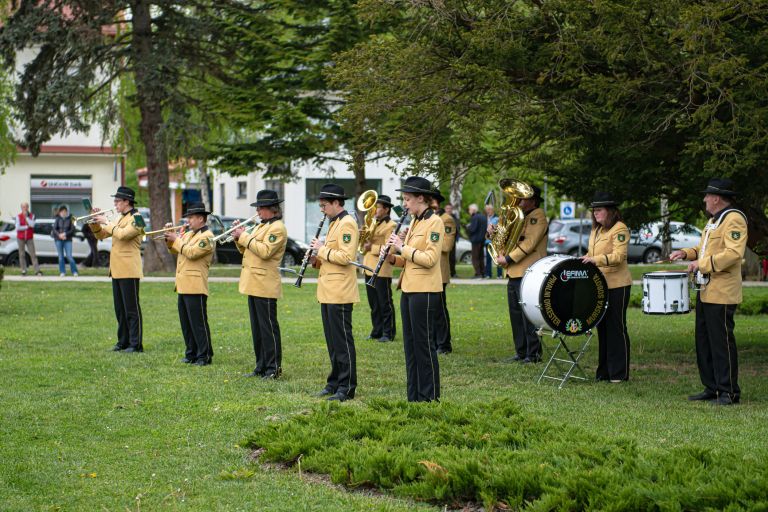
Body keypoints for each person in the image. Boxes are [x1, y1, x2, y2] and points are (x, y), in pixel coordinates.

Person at [670, 178, 748, 405]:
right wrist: (686, 253)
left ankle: (729, 391)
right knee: (704, 341)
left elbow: (733, 254)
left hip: (722, 292)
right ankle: (711, 387)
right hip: (706, 290)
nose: (704, 199)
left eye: (707, 196)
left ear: (716, 198)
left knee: (721, 342)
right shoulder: (714, 220)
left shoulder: (734, 219)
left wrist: (701, 265)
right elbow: (704, 248)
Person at [384, 176, 444, 402]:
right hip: (408, 289)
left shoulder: (434, 222)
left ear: (421, 198)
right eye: (404, 199)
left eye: (407, 199)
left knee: (424, 345)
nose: (405, 204)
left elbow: (429, 259)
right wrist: (391, 257)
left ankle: (429, 397)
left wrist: (402, 247)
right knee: (410, 345)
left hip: (425, 291)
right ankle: (414, 395)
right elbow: (408, 259)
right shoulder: (415, 222)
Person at [309, 184, 360, 402]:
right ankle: (334, 381)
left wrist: (321, 249)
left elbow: (346, 257)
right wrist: (315, 258)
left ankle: (347, 387)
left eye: (324, 205)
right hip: (328, 290)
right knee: (332, 341)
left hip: (340, 291)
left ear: (336, 203)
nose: (322, 209)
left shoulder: (347, 223)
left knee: (342, 341)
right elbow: (330, 258)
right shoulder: (334, 223)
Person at [231, 190, 288, 379]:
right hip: (253, 282)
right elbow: (248, 250)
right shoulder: (259, 226)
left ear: (272, 209)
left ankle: (273, 368)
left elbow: (264, 252)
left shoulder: (278, 228)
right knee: (257, 328)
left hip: (265, 283)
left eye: (261, 208)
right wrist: (237, 237)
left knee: (268, 328)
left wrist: (244, 237)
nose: (258, 212)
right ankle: (261, 366)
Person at [581, 192, 631, 382]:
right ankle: (604, 372)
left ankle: (619, 373)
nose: (595, 213)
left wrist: (595, 260)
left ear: (610, 211)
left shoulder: (619, 229)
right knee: (602, 327)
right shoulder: (597, 230)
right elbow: (592, 252)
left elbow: (619, 257)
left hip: (618, 285)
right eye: (594, 210)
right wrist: (585, 258)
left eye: (599, 210)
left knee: (616, 328)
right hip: (600, 285)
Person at [495, 185, 548, 363]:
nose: (518, 201)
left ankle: (533, 354)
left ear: (532, 201)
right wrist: (495, 234)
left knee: (528, 315)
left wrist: (508, 258)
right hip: (514, 272)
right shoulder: (520, 217)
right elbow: (509, 240)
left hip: (528, 271)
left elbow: (529, 243)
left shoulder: (537, 216)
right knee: (516, 316)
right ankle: (521, 351)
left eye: (523, 198)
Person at [89, 186, 144, 353]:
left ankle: (136, 344)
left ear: (127, 201)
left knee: (131, 309)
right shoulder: (120, 218)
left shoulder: (137, 218)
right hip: (117, 269)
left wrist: (106, 221)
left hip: (129, 269)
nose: (115, 204)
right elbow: (101, 236)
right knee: (120, 309)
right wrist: (95, 223)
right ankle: (123, 341)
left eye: (117, 201)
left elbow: (123, 235)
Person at [165, 202, 215, 366]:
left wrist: (176, 240)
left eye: (192, 218)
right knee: (186, 323)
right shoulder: (189, 234)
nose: (189, 221)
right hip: (183, 284)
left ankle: (204, 355)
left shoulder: (207, 236)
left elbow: (192, 253)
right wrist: (170, 237)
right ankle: (191, 353)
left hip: (195, 285)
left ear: (201, 218)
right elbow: (175, 249)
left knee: (198, 323)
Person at [361, 194, 397, 342]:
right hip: (368, 266)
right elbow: (363, 246)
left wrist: (372, 247)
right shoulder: (371, 222)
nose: (374, 209)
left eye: (378, 207)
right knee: (374, 303)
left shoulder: (391, 225)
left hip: (382, 268)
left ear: (386, 209)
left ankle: (388, 333)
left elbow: (392, 248)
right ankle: (377, 330)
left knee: (385, 302)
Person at [433, 189, 456, 354]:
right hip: (427, 270)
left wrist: (427, 239)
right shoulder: (425, 219)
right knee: (431, 310)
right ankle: (434, 341)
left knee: (439, 309)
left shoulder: (446, 219)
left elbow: (447, 246)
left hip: (439, 270)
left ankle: (444, 344)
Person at [15, 202, 42, 276]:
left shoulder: (32, 216)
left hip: (29, 237)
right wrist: (26, 227)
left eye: (26, 207)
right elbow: (18, 227)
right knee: (21, 254)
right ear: (21, 208)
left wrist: (26, 217)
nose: (25, 208)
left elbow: (32, 225)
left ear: (28, 207)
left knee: (33, 254)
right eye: (23, 207)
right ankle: (23, 270)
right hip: (20, 238)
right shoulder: (18, 216)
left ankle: (37, 270)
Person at [52, 205, 78, 277]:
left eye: (65, 212)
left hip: (68, 240)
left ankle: (74, 271)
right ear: (60, 212)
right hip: (58, 239)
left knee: (69, 256)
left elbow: (72, 229)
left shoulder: (71, 219)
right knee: (60, 257)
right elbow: (54, 229)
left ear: (67, 212)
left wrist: (65, 234)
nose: (63, 213)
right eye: (62, 212)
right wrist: (59, 235)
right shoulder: (57, 219)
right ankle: (62, 272)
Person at [466, 203, 487, 278]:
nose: (469, 211)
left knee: (475, 258)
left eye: (470, 210)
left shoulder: (474, 217)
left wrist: (468, 227)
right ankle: (483, 272)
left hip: (475, 240)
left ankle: (478, 273)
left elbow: (473, 229)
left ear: (473, 210)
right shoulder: (484, 217)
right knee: (481, 257)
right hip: (482, 240)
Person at [484, 204, 502, 278]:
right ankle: (488, 274)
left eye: (489, 209)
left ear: (492, 210)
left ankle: (499, 274)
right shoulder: (485, 218)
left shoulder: (497, 218)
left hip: (495, 241)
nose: (488, 211)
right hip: (487, 242)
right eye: (487, 210)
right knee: (488, 259)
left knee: (497, 258)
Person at [445, 203, 459, 278]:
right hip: (444, 241)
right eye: (447, 208)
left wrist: (457, 238)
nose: (449, 210)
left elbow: (457, 228)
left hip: (452, 241)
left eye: (450, 208)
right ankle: (445, 273)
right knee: (444, 258)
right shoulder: (442, 217)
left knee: (452, 258)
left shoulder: (454, 218)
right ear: (445, 209)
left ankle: (453, 273)